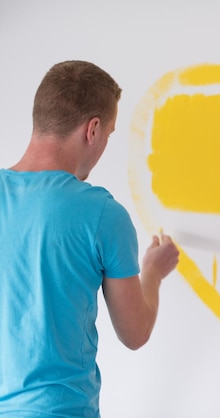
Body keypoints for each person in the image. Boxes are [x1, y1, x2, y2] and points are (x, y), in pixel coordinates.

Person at [0, 60, 180, 417]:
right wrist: (154, 273)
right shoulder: (102, 213)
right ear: (92, 129)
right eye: (110, 134)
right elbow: (134, 333)